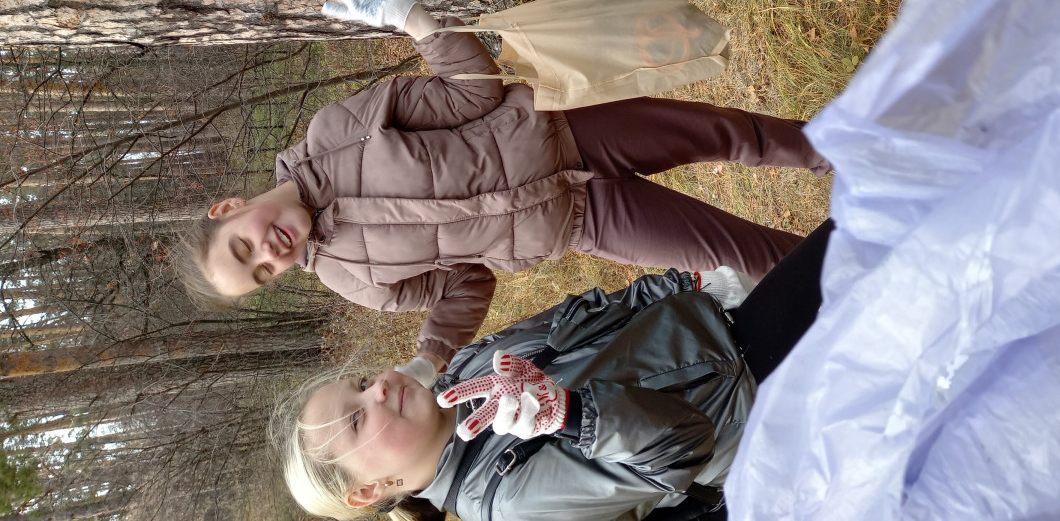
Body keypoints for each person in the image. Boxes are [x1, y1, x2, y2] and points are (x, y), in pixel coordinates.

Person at [179, 0, 830, 382]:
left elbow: (474, 91)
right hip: (583, 221)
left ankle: (857, 149)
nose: (268, 255)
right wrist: (429, 358)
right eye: (261, 274)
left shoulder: (335, 133)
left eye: (243, 246)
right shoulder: (355, 280)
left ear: (228, 208)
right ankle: (857, 279)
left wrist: (413, 20)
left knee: (729, 133)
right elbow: (468, 282)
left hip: (568, 127)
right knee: (748, 258)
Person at [275, 220, 835, 521]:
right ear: (370, 491)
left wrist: (685, 284)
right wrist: (568, 414)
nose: (377, 389)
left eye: (360, 384)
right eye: (356, 420)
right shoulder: (509, 500)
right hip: (762, 393)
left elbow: (589, 316)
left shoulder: (467, 371)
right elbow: (684, 447)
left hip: (728, 318)